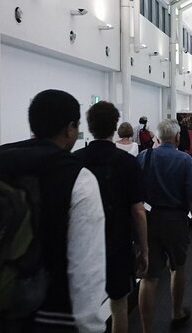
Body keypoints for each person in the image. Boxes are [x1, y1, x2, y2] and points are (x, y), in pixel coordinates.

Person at [0, 89, 106, 332]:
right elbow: (86, 267)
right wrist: (89, 326)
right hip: (55, 318)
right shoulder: (78, 179)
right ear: (70, 128)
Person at [74, 101, 149, 333]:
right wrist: (143, 248)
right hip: (117, 243)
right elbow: (138, 210)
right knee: (119, 304)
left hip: (82, 246)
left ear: (89, 125)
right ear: (114, 127)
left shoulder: (75, 159)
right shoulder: (127, 162)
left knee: (83, 307)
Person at [137, 119, 192, 332]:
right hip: (176, 221)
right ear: (177, 138)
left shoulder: (143, 157)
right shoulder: (184, 160)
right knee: (178, 267)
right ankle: (176, 312)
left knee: (148, 277)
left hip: (148, 220)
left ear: (157, 137)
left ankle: (147, 328)